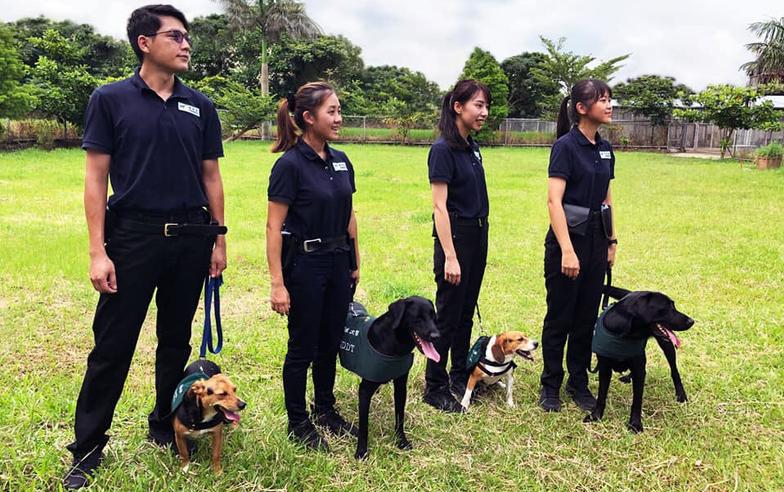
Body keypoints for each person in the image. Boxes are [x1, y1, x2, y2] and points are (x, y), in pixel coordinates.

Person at [63, 5, 227, 489]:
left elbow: (211, 176)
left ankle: (164, 425)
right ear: (144, 43)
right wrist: (98, 250)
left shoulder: (201, 105)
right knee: (113, 346)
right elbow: (95, 180)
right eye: (175, 37)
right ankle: (87, 448)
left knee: (175, 341)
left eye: (187, 38)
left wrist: (218, 238)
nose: (185, 45)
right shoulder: (111, 99)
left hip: (191, 239)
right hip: (132, 237)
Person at [266, 81, 360, 450]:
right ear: (308, 117)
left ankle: (325, 409)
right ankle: (298, 421)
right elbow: (274, 226)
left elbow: (349, 212)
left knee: (330, 342)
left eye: (338, 111)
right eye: (331, 111)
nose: (338, 118)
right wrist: (277, 283)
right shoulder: (289, 165)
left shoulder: (340, 160)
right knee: (303, 345)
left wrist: (355, 259)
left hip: (339, 262)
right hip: (305, 265)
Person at [539, 79, 618, 413]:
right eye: (602, 99)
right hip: (567, 245)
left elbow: (606, 197)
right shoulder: (565, 147)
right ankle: (550, 385)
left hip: (597, 243)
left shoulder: (605, 148)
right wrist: (567, 249)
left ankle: (578, 382)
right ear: (582, 108)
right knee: (561, 316)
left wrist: (612, 240)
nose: (610, 104)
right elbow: (553, 201)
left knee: (586, 316)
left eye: (610, 98)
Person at [423, 80, 491, 413]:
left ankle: (459, 374)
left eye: (485, 106)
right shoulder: (443, 149)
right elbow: (440, 206)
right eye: (478, 105)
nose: (484, 112)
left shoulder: (472, 147)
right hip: (456, 237)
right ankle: (434, 386)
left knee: (466, 312)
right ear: (458, 107)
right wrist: (450, 255)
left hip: (479, 235)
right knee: (448, 315)